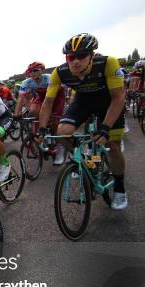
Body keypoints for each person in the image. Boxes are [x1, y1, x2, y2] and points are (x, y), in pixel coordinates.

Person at [38, 33, 127, 210]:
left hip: (108, 101)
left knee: (112, 144)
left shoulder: (108, 63)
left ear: (92, 55)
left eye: (82, 56)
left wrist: (105, 127)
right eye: (71, 57)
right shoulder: (60, 72)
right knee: (62, 133)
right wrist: (41, 128)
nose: (75, 61)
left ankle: (119, 188)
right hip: (83, 101)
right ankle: (85, 160)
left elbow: (118, 98)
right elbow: (48, 102)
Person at [14, 61, 66, 162]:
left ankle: (59, 149)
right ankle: (44, 130)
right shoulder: (27, 82)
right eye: (30, 71)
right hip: (42, 98)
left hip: (57, 98)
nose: (32, 73)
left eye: (35, 70)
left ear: (41, 70)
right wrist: (16, 113)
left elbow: (59, 92)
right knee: (33, 112)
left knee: (55, 124)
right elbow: (21, 99)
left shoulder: (49, 78)